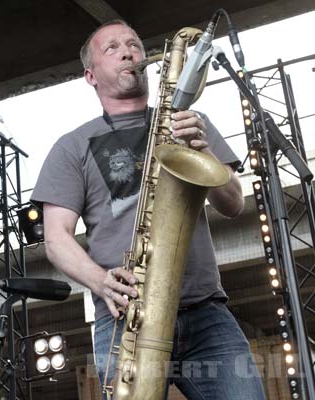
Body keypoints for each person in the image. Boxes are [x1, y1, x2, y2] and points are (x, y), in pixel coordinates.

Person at [31, 20, 266, 399]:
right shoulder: (71, 146)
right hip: (128, 317)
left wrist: (201, 148)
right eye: (112, 48)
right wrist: (100, 280)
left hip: (205, 313)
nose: (128, 52)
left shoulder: (189, 123)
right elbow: (56, 238)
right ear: (90, 75)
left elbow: (233, 204)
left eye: (134, 45)